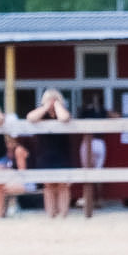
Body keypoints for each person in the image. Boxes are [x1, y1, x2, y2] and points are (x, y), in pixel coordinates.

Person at [28, 89, 77, 219]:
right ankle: (51, 214)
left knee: (63, 185)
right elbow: (30, 117)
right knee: (48, 185)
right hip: (45, 154)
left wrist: (57, 106)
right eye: (49, 100)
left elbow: (64, 118)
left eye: (54, 100)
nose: (51, 103)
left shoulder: (63, 112)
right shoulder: (41, 115)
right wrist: (45, 107)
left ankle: (63, 214)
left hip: (62, 153)